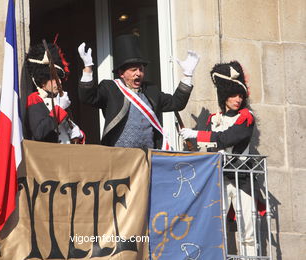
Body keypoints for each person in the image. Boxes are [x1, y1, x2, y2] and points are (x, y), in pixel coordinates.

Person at [180, 61, 258, 256]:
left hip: (242, 179)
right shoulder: (213, 119)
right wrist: (194, 139)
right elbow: (208, 146)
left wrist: (196, 134)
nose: (238, 99)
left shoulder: (246, 117)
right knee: (216, 229)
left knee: (248, 229)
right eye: (233, 95)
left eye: (240, 95)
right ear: (224, 96)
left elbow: (226, 138)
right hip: (218, 178)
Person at [77, 34, 199, 149]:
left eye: (141, 69)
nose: (138, 73)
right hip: (118, 155)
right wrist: (88, 68)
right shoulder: (110, 88)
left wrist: (187, 75)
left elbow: (177, 103)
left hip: (147, 155)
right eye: (133, 70)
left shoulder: (151, 90)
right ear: (121, 73)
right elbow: (88, 98)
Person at [25, 42, 85, 144]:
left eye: (59, 78)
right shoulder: (35, 98)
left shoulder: (60, 99)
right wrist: (59, 109)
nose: (59, 82)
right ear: (43, 82)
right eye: (54, 79)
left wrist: (77, 134)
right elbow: (39, 132)